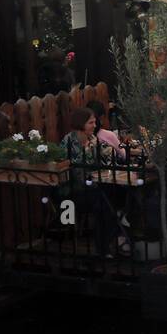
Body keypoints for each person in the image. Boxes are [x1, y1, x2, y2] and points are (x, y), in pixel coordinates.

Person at [61, 107, 127, 256]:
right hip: (73, 191)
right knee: (104, 204)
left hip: (94, 187)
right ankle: (106, 246)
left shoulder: (93, 140)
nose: (94, 125)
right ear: (81, 123)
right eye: (91, 122)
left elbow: (105, 163)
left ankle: (113, 236)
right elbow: (68, 167)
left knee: (118, 194)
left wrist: (108, 152)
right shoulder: (68, 141)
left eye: (94, 122)